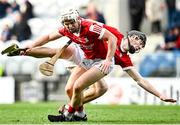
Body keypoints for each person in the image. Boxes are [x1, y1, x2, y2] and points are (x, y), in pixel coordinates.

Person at [2, 8, 176, 122]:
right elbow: (94, 30)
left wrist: (160, 95)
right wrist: (75, 29)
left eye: (141, 47)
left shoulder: (124, 58)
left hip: (97, 63)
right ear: (134, 37)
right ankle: (24, 50)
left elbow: (140, 80)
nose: (139, 47)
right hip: (84, 53)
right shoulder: (111, 32)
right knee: (68, 84)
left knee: (81, 89)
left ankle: (70, 112)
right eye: (140, 43)